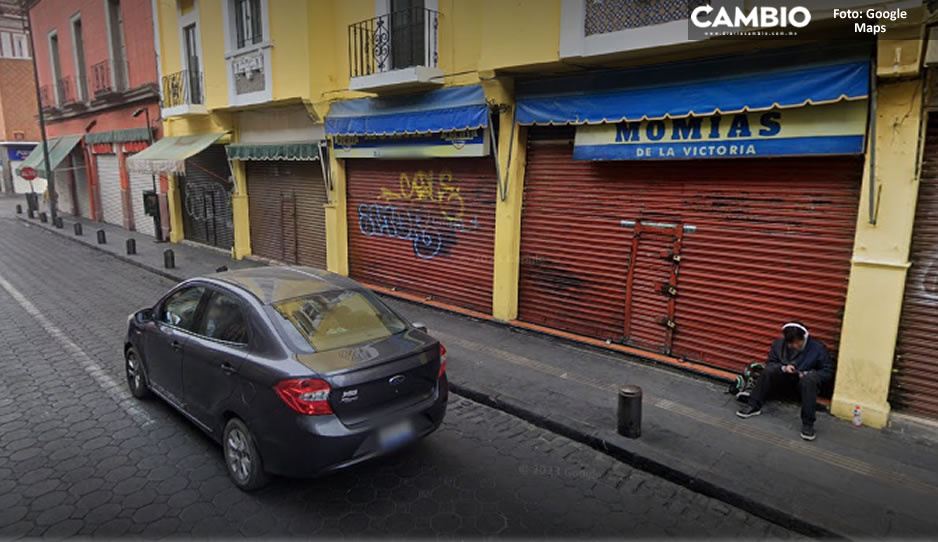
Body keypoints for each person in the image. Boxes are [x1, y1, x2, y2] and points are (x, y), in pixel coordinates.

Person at [736, 322, 833, 441]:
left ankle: (808, 424)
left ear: (804, 338)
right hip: (783, 381)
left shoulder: (818, 348)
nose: (795, 346)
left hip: (803, 386)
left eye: (798, 342)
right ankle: (753, 405)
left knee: (809, 380)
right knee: (768, 370)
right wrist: (783, 368)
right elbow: (771, 363)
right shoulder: (779, 345)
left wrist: (807, 374)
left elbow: (827, 372)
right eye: (791, 344)